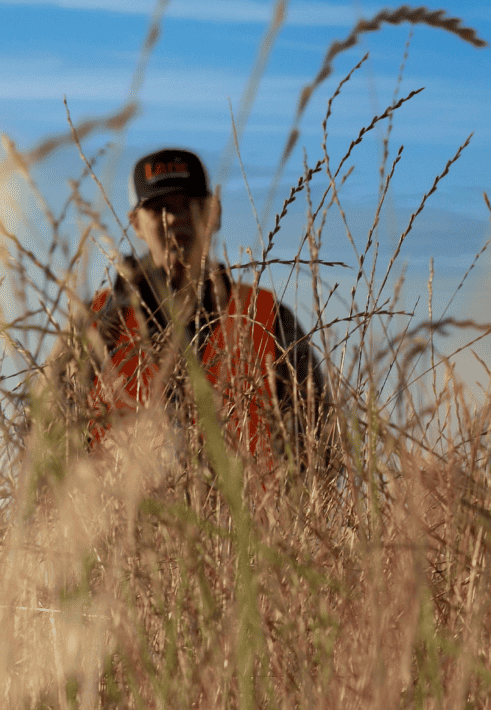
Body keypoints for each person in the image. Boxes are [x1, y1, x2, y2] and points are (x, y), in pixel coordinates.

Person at [77, 147, 333, 471]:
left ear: (215, 213)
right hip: (123, 519)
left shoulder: (266, 315)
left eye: (191, 205)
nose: (176, 218)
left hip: (248, 518)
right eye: (159, 208)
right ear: (136, 224)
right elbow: (45, 436)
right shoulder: (98, 321)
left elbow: (319, 438)